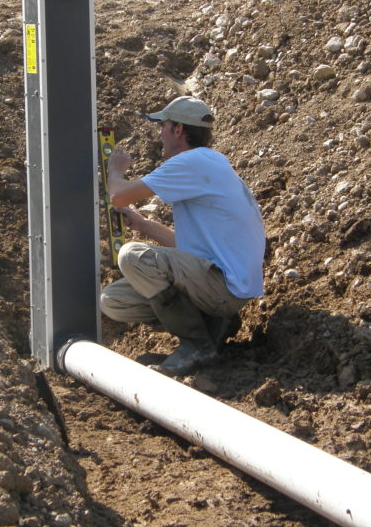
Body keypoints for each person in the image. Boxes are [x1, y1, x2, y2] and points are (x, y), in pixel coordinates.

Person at [100, 95, 265, 376]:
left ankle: (197, 345)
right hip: (217, 282)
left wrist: (113, 169)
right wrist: (142, 224)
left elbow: (118, 195)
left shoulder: (193, 161)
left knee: (132, 256)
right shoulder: (208, 164)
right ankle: (211, 326)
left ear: (178, 130)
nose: (160, 134)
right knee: (113, 301)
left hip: (223, 287)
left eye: (163, 126)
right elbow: (190, 251)